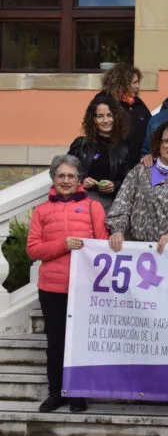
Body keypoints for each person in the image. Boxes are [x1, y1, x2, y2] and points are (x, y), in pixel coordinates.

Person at [27, 154, 108, 414]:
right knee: (56, 342)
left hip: (84, 288)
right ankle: (56, 392)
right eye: (60, 175)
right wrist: (63, 245)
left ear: (79, 180)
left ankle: (78, 393)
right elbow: (33, 249)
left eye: (71, 176)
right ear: (53, 179)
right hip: (52, 288)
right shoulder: (41, 211)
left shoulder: (93, 207)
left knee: (82, 342)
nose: (66, 180)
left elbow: (103, 244)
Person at [107, 119, 168, 253]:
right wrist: (117, 230)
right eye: (167, 141)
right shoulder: (140, 170)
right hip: (134, 250)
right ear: (159, 143)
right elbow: (123, 202)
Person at [69, 94, 132, 211]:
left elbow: (129, 180)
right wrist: (82, 180)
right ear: (93, 119)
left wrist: (114, 186)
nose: (106, 120)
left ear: (116, 117)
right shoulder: (81, 145)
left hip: (111, 205)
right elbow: (66, 171)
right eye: (100, 116)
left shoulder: (123, 148)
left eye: (109, 115)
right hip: (82, 202)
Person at [97, 62, 150, 164]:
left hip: (137, 162)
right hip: (113, 162)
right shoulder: (105, 100)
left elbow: (150, 125)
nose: (138, 86)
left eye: (138, 82)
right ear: (122, 83)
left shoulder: (137, 102)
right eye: (134, 83)